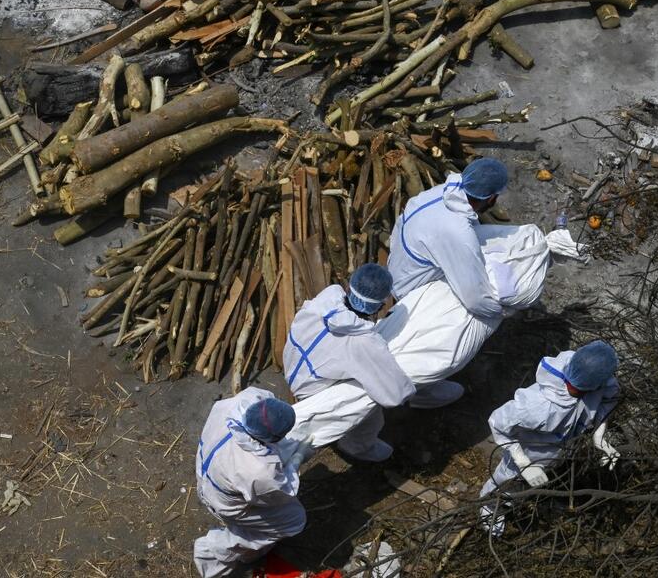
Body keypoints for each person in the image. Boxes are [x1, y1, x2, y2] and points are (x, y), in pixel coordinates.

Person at [479, 340, 621, 536]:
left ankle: (519, 495)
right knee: (508, 480)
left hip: (558, 451)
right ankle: (490, 506)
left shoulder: (595, 381)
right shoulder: (538, 405)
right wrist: (524, 463)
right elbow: (498, 423)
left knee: (532, 482)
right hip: (530, 451)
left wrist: (599, 436)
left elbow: (609, 398)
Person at [283, 263, 416, 462]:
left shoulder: (327, 298)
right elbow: (393, 395)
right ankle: (357, 446)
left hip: (292, 365)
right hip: (312, 390)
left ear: (349, 287)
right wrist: (409, 391)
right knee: (370, 401)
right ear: (380, 305)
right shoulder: (364, 343)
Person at [193, 387, 311, 578]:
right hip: (224, 502)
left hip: (207, 473)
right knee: (294, 520)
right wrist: (298, 458)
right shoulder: (258, 469)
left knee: (273, 519)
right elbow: (279, 495)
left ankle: (252, 547)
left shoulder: (240, 402)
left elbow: (268, 404)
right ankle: (215, 549)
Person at [388, 157, 509, 319]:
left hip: (397, 270)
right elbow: (475, 301)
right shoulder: (457, 231)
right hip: (408, 290)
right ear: (491, 198)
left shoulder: (437, 193)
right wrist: (501, 312)